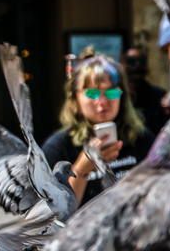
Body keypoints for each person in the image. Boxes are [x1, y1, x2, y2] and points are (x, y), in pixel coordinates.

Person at [41, 50, 154, 207]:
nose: (102, 102)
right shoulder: (58, 148)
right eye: (92, 93)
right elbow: (54, 216)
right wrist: (82, 168)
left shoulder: (142, 138)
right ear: (75, 97)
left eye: (112, 92)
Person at [122, 46, 169, 133]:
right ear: (122, 64)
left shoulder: (160, 96)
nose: (138, 65)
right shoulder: (117, 97)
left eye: (142, 61)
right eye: (131, 61)